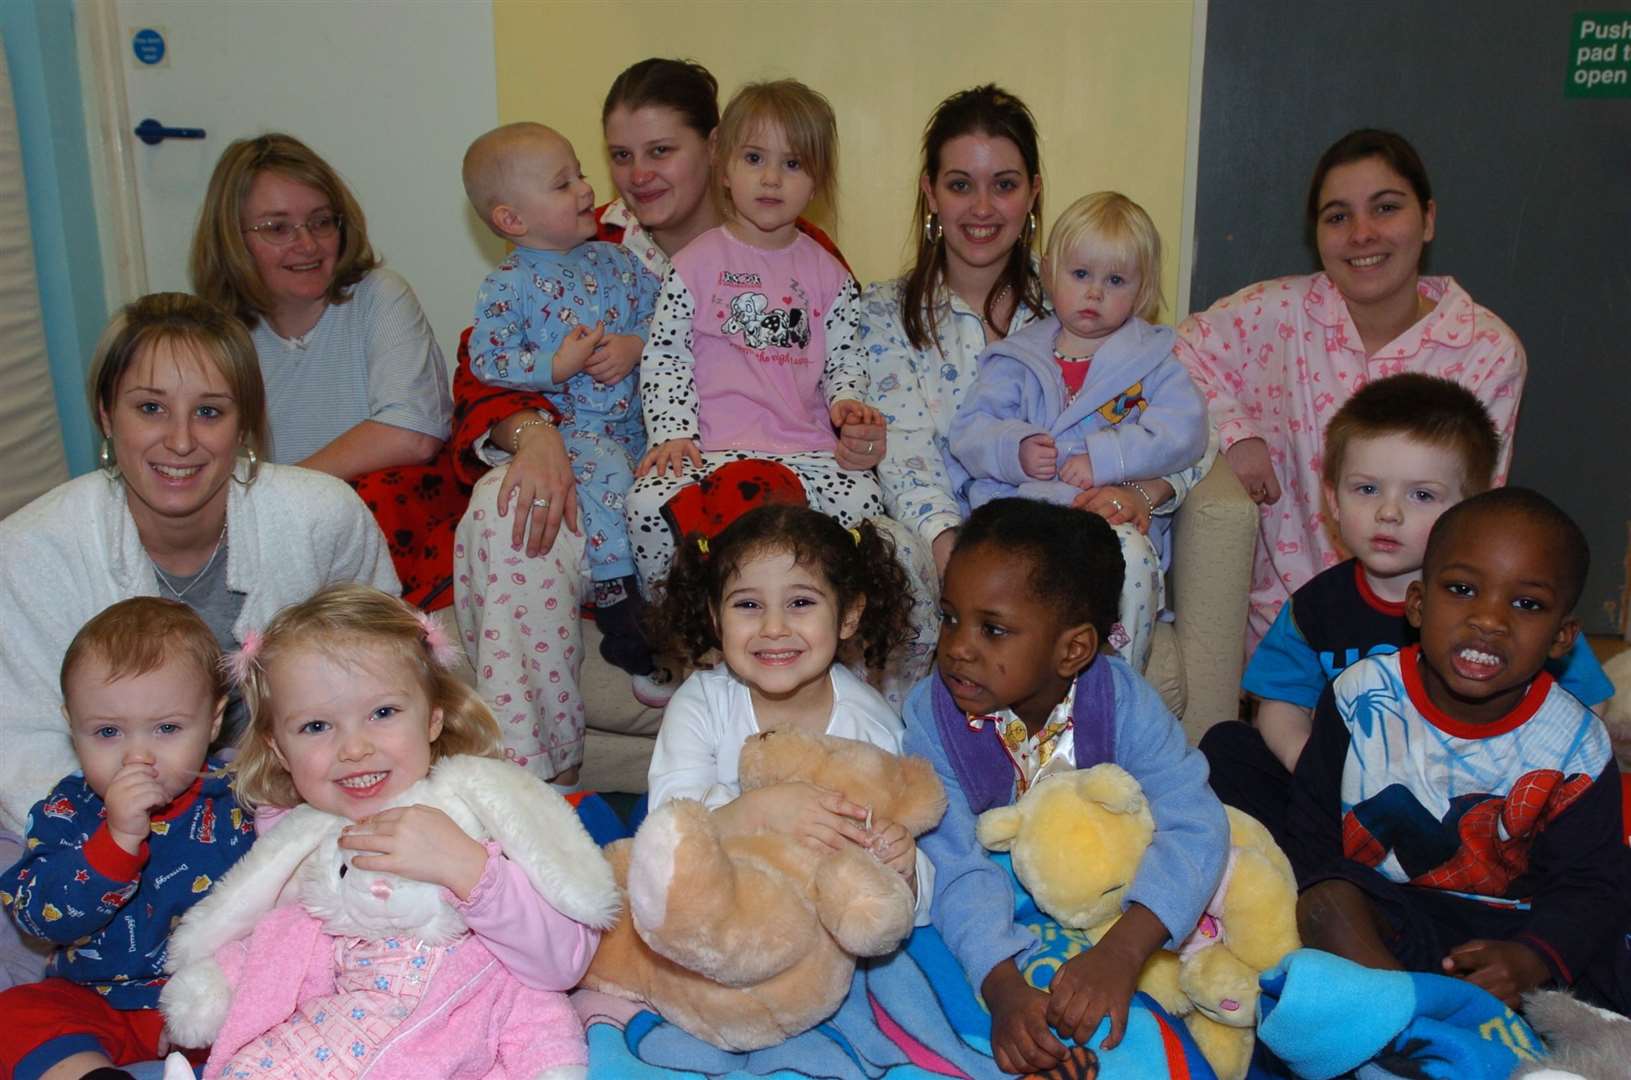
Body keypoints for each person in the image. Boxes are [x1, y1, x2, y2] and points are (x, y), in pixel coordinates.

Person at [448, 59, 898, 785]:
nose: (635, 176)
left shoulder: (798, 250)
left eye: (661, 152)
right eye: (620, 155)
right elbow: (486, 360)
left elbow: (841, 366)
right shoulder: (580, 241)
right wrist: (530, 435)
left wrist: (857, 431)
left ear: (717, 148)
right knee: (504, 512)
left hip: (751, 469)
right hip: (603, 472)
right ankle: (530, 784)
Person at [0, 292, 397, 838]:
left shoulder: (323, 519)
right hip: (95, 832)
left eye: (209, 411)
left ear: (244, 425)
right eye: (150, 408)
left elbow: (393, 687)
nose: (181, 441)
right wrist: (127, 848)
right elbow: (23, 747)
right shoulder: (30, 552)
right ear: (105, 416)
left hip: (305, 806)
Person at [860, 85, 1212, 673]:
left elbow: (1196, 427)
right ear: (930, 192)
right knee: (888, 556)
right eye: (959, 184)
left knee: (1118, 552)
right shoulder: (883, 314)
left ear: (1033, 193)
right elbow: (907, 456)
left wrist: (1139, 491)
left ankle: (1093, 736)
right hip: (949, 534)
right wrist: (957, 553)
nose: (982, 207)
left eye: (1004, 184)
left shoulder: (1091, 296)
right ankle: (926, 749)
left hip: (1071, 528)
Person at [1205, 376, 1614, 845]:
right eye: (1367, 489)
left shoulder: (1507, 613)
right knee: (1228, 748)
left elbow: (1587, 704)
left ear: (1470, 508)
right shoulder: (1315, 608)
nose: (1389, 513)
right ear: (1333, 499)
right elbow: (1278, 704)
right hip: (1343, 793)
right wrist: (1313, 767)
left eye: (1422, 495)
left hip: (1477, 801)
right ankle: (1290, 872)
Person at [215, 584, 605, 1074]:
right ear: (277, 748)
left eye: (382, 713)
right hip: (331, 1046)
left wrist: (469, 868)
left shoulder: (479, 810)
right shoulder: (289, 845)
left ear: (433, 719)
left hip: (462, 1046)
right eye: (316, 726)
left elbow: (562, 964)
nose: (354, 748)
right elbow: (258, 953)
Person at [903, 498, 1227, 1073]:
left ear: (1072, 649)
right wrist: (1000, 986)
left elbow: (1195, 821)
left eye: (993, 629)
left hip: (1107, 906)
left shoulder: (1123, 704)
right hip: (986, 910)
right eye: (950, 616)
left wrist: (1124, 952)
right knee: (911, 957)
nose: (957, 647)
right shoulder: (932, 716)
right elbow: (953, 863)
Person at [1174, 128, 1527, 653]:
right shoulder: (1276, 313)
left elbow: (1473, 516)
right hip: (1283, 628)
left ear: (1427, 219)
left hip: (1413, 634)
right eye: (1338, 216)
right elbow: (1172, 353)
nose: (1362, 234)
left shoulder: (1485, 350)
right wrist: (1234, 430)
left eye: (1385, 208)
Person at [1286, 489, 1630, 1013]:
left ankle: (1468, 1025)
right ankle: (1406, 1022)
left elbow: (1590, 884)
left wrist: (1532, 958)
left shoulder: (1575, 744)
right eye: (1463, 589)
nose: (1489, 620)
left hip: (1514, 930)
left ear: (1562, 637)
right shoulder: (1361, 695)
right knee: (1327, 899)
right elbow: (1311, 826)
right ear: (1418, 604)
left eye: (1527, 604)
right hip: (1388, 919)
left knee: (1608, 934)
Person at [625, 78, 886, 592]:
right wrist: (673, 433)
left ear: (818, 181)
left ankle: (826, 623)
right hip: (713, 450)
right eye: (754, 159)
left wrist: (849, 402)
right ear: (724, 166)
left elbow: (844, 358)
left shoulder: (830, 275)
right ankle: (675, 627)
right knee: (646, 504)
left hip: (805, 451)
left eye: (792, 164)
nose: (771, 179)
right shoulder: (694, 264)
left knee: (865, 505)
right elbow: (666, 356)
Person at [947, 192, 1208, 669]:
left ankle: (1116, 685)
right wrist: (1015, 448)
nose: (1094, 293)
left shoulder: (1152, 362)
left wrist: (1106, 458)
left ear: (1143, 288)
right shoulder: (1016, 358)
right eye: (1081, 275)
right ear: (1049, 273)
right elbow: (971, 428)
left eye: (1115, 280)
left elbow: (1184, 429)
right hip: (1026, 513)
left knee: (1129, 554)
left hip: (1103, 518)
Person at [191, 133, 455, 605]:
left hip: (387, 528)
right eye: (277, 228)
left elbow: (412, 431)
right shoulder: (219, 336)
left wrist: (279, 495)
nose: (307, 244)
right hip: (278, 545)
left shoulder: (379, 295)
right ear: (233, 240)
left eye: (320, 222)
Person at [0, 598, 255, 1080]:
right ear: (72, 726)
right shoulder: (66, 810)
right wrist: (114, 842)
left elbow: (278, 902)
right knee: (14, 1015)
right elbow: (37, 916)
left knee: (280, 1015)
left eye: (166, 728)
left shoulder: (239, 796)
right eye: (108, 731)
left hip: (210, 997)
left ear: (215, 720)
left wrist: (215, 997)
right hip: (93, 999)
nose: (138, 755)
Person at [646, 504, 929, 914]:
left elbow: (909, 880)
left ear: (848, 615)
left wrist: (906, 868)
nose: (773, 628)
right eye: (747, 605)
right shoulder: (700, 702)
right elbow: (667, 831)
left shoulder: (874, 727)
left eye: (800, 603)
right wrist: (757, 811)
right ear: (715, 617)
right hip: (718, 905)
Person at [462, 122, 663, 692]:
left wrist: (636, 345)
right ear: (512, 220)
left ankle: (679, 612)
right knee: (609, 476)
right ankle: (621, 601)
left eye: (579, 174)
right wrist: (554, 366)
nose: (583, 190)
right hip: (575, 427)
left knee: (664, 486)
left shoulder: (619, 263)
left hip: (639, 422)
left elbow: (670, 324)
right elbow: (488, 358)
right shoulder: (507, 285)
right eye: (562, 183)